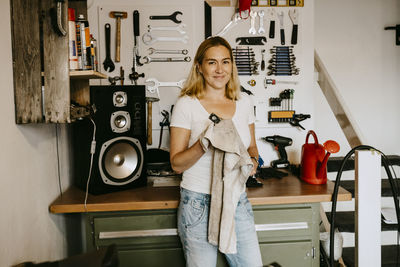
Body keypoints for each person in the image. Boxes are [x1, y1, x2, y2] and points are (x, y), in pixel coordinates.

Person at [169, 36, 263, 267]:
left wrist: (252, 161)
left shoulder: (244, 102)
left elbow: (252, 146)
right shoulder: (186, 104)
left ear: (232, 66)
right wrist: (204, 144)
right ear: (199, 67)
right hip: (198, 204)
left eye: (225, 62)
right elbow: (176, 164)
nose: (220, 69)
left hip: (236, 200)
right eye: (212, 63)